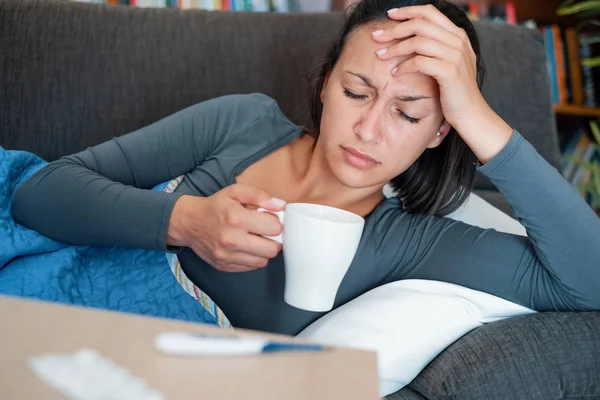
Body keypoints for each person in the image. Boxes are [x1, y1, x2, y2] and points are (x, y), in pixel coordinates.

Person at [12, 0, 600, 336]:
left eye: (408, 112)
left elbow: (588, 280)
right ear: (324, 87)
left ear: (440, 131)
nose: (369, 129)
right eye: (355, 91)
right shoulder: (241, 124)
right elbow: (39, 195)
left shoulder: (410, 243)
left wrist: (477, 114)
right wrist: (185, 221)